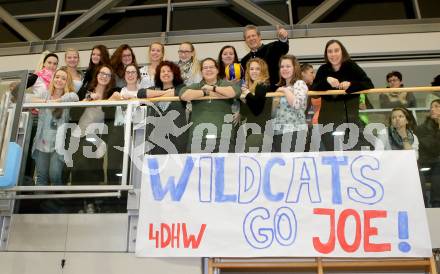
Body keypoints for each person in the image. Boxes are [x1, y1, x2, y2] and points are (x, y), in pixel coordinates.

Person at [312, 39, 374, 151]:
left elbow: (368, 84)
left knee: (353, 152)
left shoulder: (351, 66)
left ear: (342, 52)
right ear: (326, 54)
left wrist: (351, 84)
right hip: (328, 121)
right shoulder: (323, 69)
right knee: (333, 153)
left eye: (336, 50)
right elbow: (314, 89)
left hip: (350, 119)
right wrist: (326, 80)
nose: (333, 54)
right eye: (330, 51)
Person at [29, 68, 79, 186]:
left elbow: (74, 97)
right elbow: (27, 98)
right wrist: (45, 101)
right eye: (57, 77)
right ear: (53, 79)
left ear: (67, 82)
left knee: (55, 175)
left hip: (58, 144)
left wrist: (57, 101)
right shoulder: (45, 94)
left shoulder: (68, 97)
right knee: (41, 177)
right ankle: (40, 204)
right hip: (42, 142)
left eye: (63, 78)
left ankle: (57, 203)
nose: (59, 80)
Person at [180, 58, 241, 153]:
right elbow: (183, 95)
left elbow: (234, 92)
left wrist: (213, 88)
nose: (208, 70)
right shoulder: (196, 86)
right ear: (201, 72)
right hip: (198, 138)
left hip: (224, 137)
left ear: (217, 70)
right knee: (197, 168)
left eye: (211, 67)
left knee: (225, 167)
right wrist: (205, 92)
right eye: (205, 68)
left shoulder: (226, 84)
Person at [71, 65, 115, 185]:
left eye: (108, 75)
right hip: (79, 134)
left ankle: (90, 202)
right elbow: (74, 106)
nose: (104, 77)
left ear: (111, 78)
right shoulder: (87, 90)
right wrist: (89, 98)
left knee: (91, 170)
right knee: (77, 169)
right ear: (97, 75)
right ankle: (79, 201)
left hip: (95, 138)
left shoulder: (110, 95)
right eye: (102, 73)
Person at [138, 61, 188, 154]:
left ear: (174, 74)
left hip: (177, 140)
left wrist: (155, 96)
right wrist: (164, 93)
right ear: (158, 75)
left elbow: (177, 93)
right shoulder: (154, 88)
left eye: (169, 71)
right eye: (163, 71)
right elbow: (141, 93)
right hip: (154, 140)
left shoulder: (181, 88)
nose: (166, 73)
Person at [272, 55, 308, 152]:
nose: (284, 69)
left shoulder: (299, 84)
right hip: (278, 132)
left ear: (295, 68)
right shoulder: (280, 88)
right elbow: (273, 113)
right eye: (282, 67)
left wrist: (284, 91)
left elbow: (297, 104)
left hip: (296, 131)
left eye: (288, 66)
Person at [239, 58, 271, 152]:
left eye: (257, 69)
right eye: (252, 69)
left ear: (263, 71)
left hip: (261, 132)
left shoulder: (263, 85)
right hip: (253, 131)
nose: (254, 71)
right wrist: (243, 100)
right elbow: (245, 113)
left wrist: (247, 94)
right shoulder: (251, 87)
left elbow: (257, 110)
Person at [417, 99, 440, 207]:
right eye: (431, 107)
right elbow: (434, 148)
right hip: (425, 165)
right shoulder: (423, 128)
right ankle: (432, 205)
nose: (432, 109)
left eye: (437, 106)